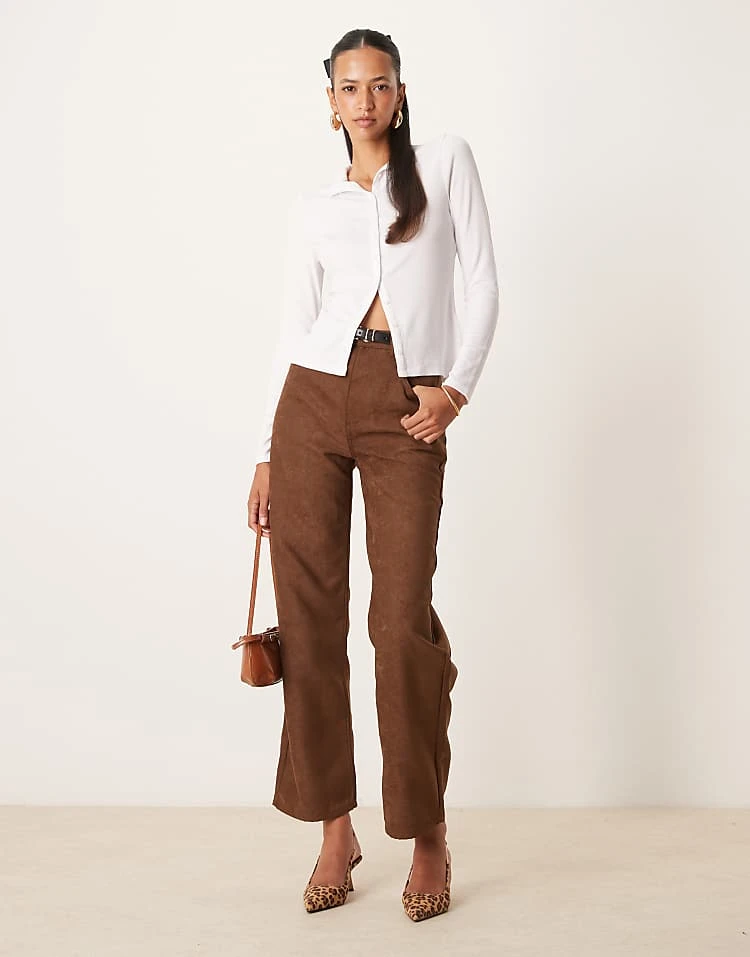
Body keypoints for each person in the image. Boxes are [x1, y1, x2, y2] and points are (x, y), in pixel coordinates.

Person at [247, 28, 500, 921]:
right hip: (313, 400)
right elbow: (293, 327)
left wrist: (455, 389)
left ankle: (427, 832)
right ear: (330, 102)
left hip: (407, 396)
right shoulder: (314, 207)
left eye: (379, 84)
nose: (365, 100)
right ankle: (334, 827)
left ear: (399, 93)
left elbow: (482, 282)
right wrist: (266, 451)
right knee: (310, 621)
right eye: (349, 87)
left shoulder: (443, 163)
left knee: (400, 622)